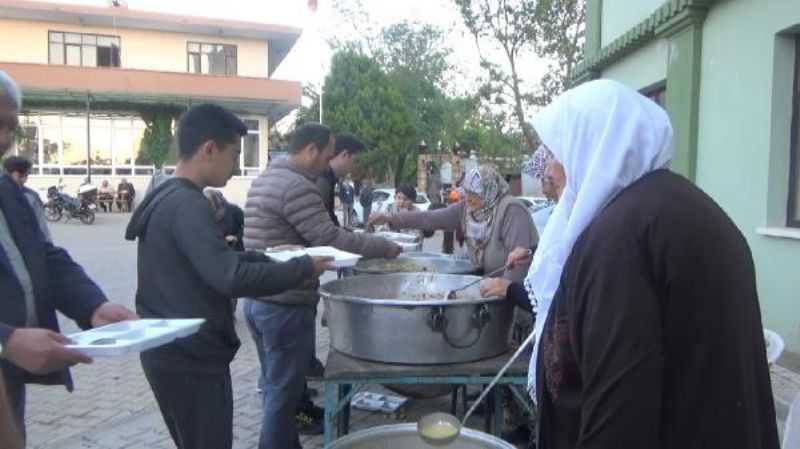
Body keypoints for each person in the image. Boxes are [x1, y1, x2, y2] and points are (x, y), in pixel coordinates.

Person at [518, 79, 779, 449]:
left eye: (559, 151)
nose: (554, 169)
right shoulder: (684, 206)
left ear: (596, 142)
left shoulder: (621, 237)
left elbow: (620, 415)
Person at [124, 104, 333, 449]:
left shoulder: (168, 196)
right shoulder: (187, 204)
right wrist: (304, 267)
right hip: (190, 360)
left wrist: (266, 257)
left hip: (173, 355)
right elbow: (230, 276)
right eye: (235, 154)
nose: (237, 166)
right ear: (209, 149)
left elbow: (215, 261)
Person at [242, 123, 401, 449]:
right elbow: (330, 238)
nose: (328, 164)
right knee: (282, 395)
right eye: (327, 156)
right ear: (311, 150)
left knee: (277, 388)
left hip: (258, 301)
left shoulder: (267, 177)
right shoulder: (297, 186)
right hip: (284, 303)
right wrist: (382, 247)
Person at [0, 69, 137, 442]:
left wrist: (92, 306)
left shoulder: (12, 194)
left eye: (10, 127)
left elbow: (44, 258)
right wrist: (6, 339)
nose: (4, 140)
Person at [370, 164, 538, 284]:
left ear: (490, 191)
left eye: (475, 193)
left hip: (511, 299)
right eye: (468, 192)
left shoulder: (511, 210)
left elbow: (520, 263)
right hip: (483, 286)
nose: (469, 198)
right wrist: (390, 218)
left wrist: (505, 287)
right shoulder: (466, 209)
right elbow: (428, 218)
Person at [316, 132, 365, 227]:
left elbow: (329, 219)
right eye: (356, 161)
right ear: (345, 155)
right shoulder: (322, 180)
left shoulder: (328, 178)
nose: (356, 167)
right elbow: (320, 227)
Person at [2, 156, 50, 241]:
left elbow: (42, 228)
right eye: (20, 176)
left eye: (26, 176)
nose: (24, 180)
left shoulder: (31, 197)